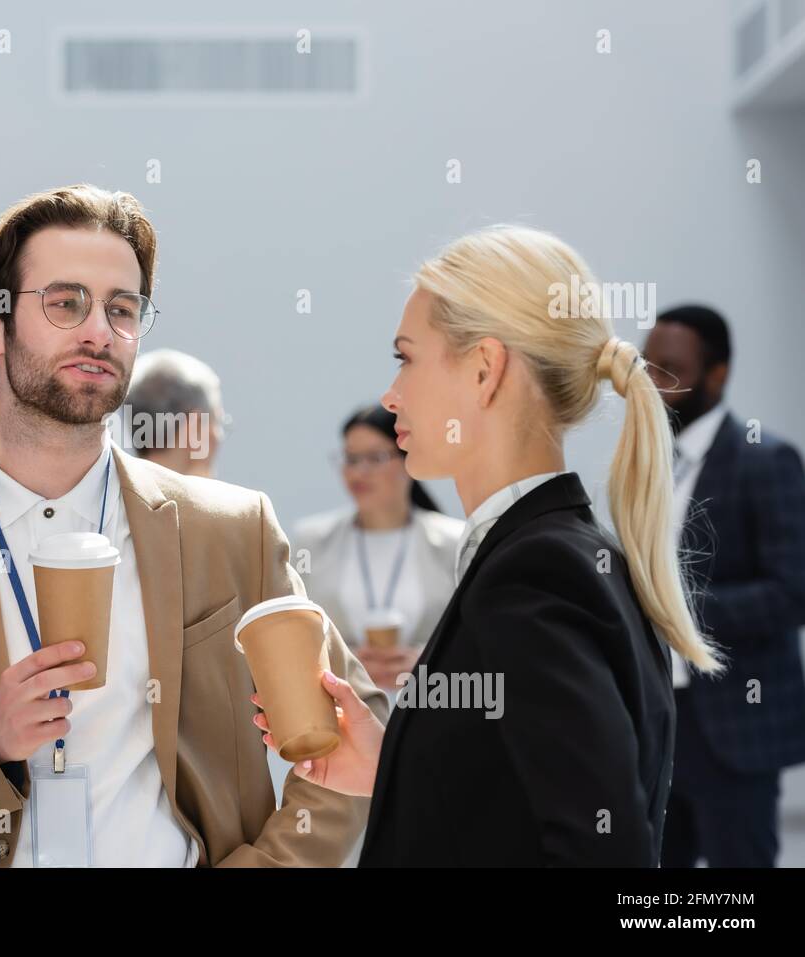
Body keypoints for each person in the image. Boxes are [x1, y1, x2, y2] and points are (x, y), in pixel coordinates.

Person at [0, 183, 384, 867]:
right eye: (67, 302)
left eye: (122, 309)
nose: (100, 331)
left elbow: (353, 734)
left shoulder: (230, 529)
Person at [252, 225, 722, 866]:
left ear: (483, 369)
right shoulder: (557, 551)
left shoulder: (537, 569)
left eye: (406, 357)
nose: (392, 396)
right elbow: (513, 803)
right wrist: (390, 765)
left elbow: (602, 853)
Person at [643, 305, 805, 868]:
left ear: (717, 374)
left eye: (670, 368)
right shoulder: (650, 463)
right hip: (658, 716)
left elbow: (792, 593)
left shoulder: (766, 460)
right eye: (645, 366)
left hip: (737, 722)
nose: (652, 382)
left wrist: (676, 608)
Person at [293, 405, 464, 692]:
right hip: (341, 710)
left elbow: (478, 634)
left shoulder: (456, 541)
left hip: (432, 706)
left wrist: (431, 662)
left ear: (410, 459)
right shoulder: (310, 541)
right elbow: (294, 632)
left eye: (375, 457)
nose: (359, 472)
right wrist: (342, 661)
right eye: (350, 459)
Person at [123, 347, 227, 477]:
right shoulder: (229, 497)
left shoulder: (110, 492)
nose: (218, 437)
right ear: (195, 429)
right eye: (217, 422)